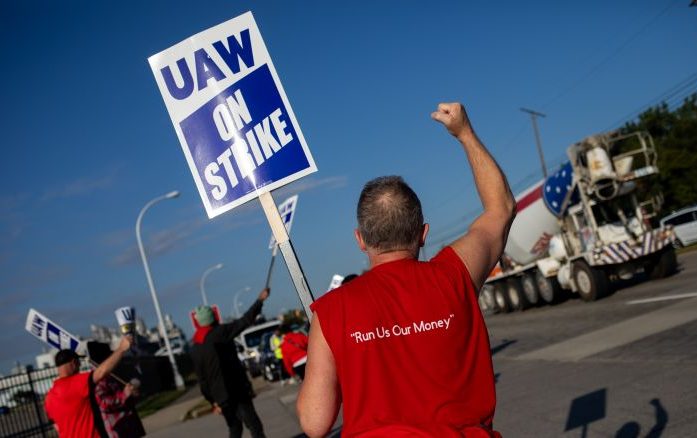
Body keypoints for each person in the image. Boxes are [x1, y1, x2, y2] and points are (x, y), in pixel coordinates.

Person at [297, 102, 516, 437]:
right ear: (423, 234)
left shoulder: (330, 312)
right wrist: (465, 134)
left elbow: (314, 424)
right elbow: (500, 209)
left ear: (360, 239)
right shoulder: (453, 275)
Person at [190, 288, 270, 438]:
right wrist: (260, 301)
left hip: (220, 397)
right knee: (254, 425)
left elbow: (202, 379)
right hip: (235, 390)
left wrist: (212, 401)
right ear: (212, 318)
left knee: (235, 428)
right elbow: (245, 321)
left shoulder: (195, 347)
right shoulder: (220, 333)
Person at [45, 336, 133, 438]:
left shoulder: (48, 398)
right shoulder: (76, 382)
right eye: (79, 364)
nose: (79, 368)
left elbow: (56, 426)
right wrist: (121, 349)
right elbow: (101, 372)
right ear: (74, 363)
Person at [88, 342, 145, 438]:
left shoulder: (110, 374)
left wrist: (131, 393)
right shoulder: (98, 379)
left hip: (127, 425)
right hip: (118, 429)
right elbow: (104, 403)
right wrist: (125, 394)